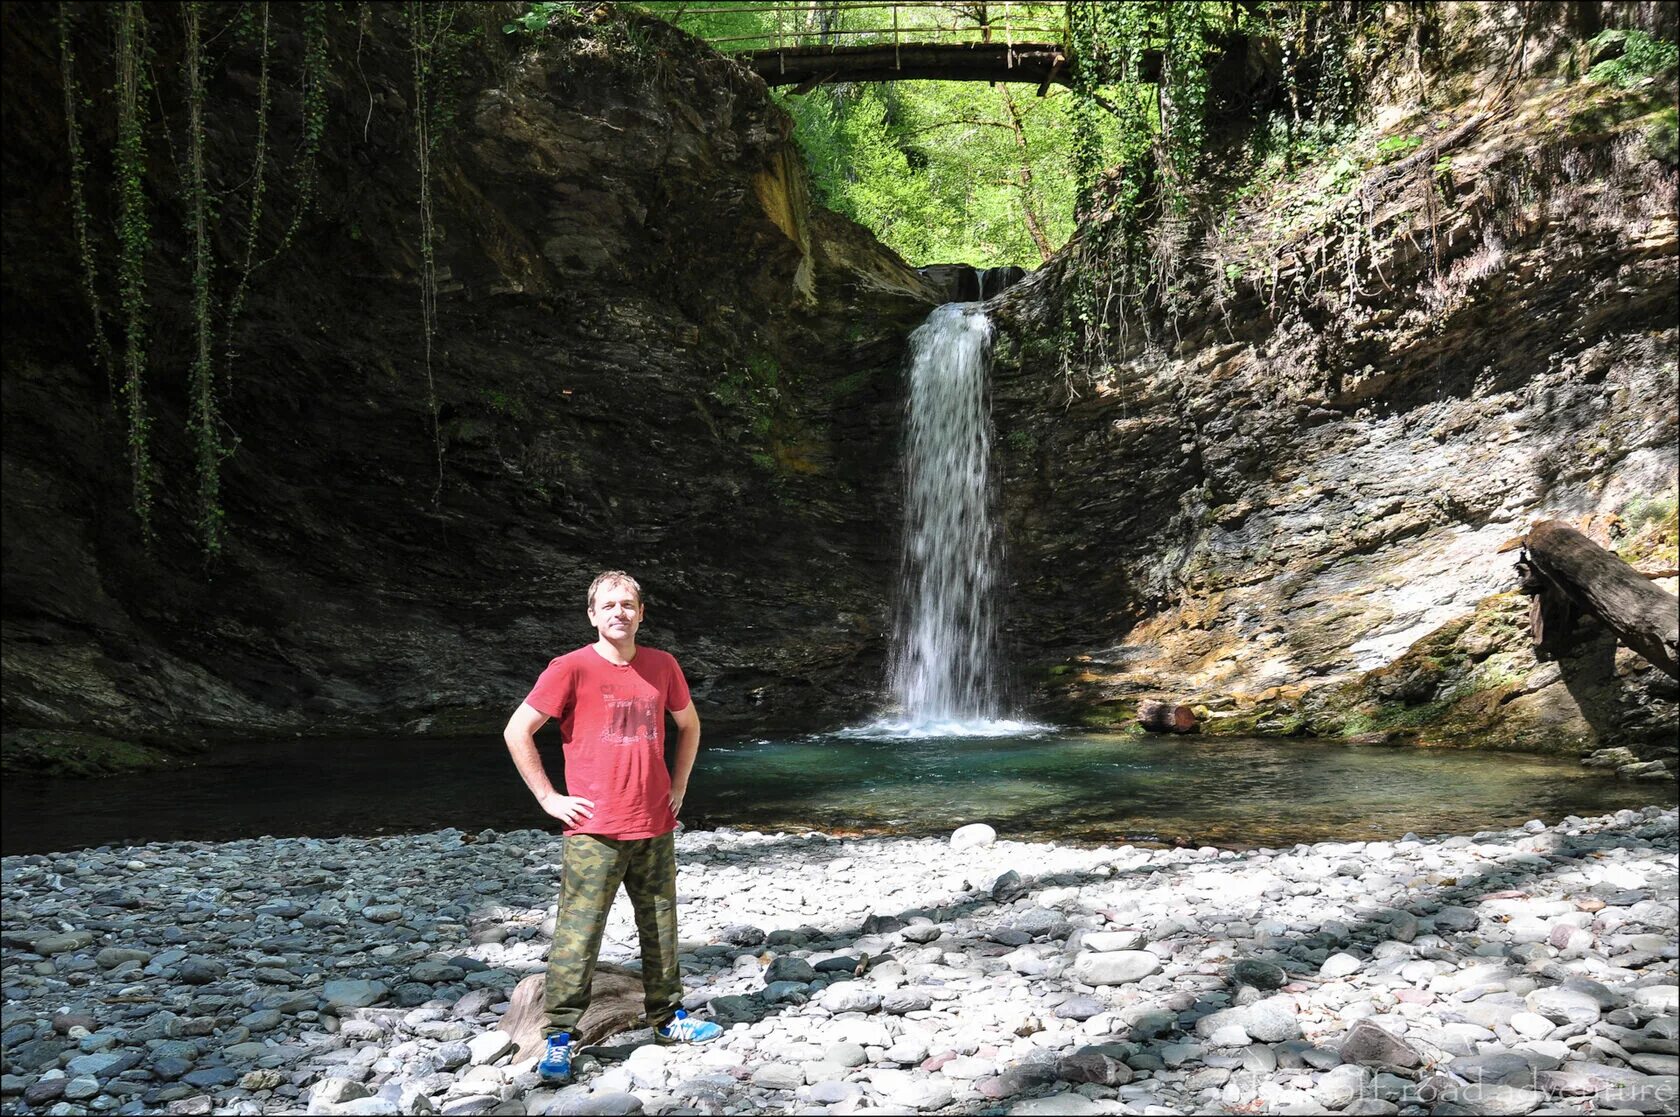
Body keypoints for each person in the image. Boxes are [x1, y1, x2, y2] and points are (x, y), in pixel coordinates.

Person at [503, 570, 721, 1083]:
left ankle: (668, 1020)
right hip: (593, 828)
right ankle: (559, 1037)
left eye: (628, 604)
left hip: (653, 821)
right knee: (578, 936)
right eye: (609, 605)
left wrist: (681, 786)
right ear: (593, 614)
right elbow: (518, 730)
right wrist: (548, 797)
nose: (619, 612)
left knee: (661, 926)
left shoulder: (663, 665)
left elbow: (688, 724)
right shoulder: (569, 668)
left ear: (641, 613)